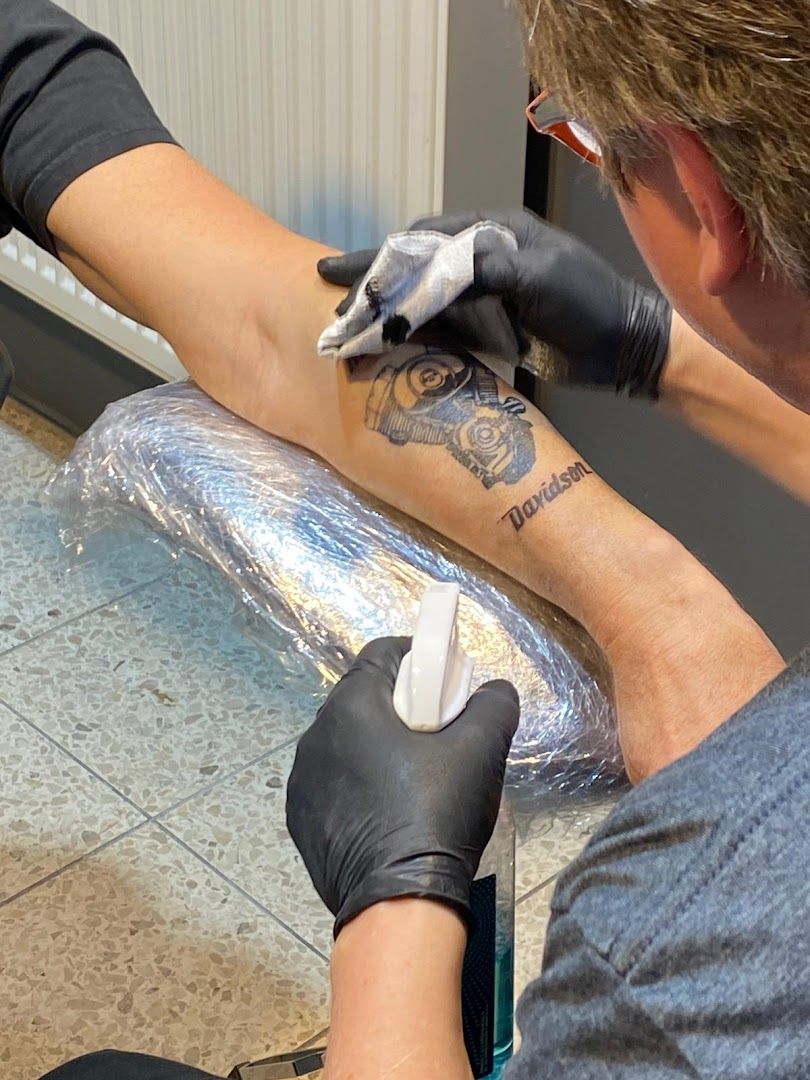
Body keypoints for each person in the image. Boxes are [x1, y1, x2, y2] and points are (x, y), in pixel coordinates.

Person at [6, 1, 807, 1078]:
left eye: (577, 137)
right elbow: (272, 318)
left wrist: (396, 899)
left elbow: (269, 325)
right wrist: (663, 373)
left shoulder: (697, 931)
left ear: (704, 199)